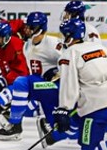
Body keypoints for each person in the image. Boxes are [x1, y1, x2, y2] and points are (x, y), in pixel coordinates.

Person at [46, 18, 107, 150]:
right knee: (78, 116)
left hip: (97, 108)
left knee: (89, 149)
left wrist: (63, 108)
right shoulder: (100, 47)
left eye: (64, 34)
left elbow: (69, 85)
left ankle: (59, 134)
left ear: (70, 36)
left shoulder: (68, 55)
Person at [6, 11, 66, 140]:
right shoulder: (27, 45)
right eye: (26, 26)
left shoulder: (53, 43)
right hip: (41, 86)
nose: (26, 29)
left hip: (56, 87)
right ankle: (49, 126)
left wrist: (58, 72)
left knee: (21, 82)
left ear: (40, 28)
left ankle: (16, 125)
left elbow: (70, 62)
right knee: (25, 109)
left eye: (31, 27)